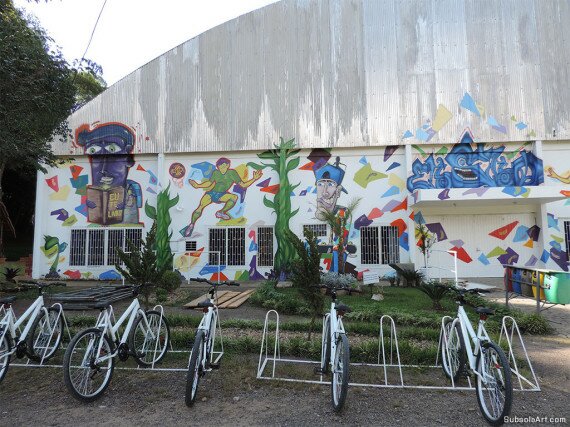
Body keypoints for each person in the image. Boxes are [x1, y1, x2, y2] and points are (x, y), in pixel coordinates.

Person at [75, 122, 142, 225]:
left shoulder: (132, 190)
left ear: (128, 160)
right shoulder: (91, 193)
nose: (103, 169)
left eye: (112, 151)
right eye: (95, 155)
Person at [183, 157, 262, 237]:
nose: (222, 168)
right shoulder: (216, 173)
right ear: (218, 167)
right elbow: (209, 183)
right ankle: (191, 225)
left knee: (234, 197)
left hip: (222, 195)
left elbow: (243, 185)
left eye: (224, 166)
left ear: (228, 165)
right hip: (211, 193)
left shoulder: (232, 173)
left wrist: (254, 179)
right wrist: (198, 185)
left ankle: (221, 212)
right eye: (220, 167)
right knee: (200, 207)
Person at [315, 156, 347, 221]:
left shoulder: (344, 213)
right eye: (320, 184)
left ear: (338, 191)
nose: (324, 192)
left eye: (330, 184)